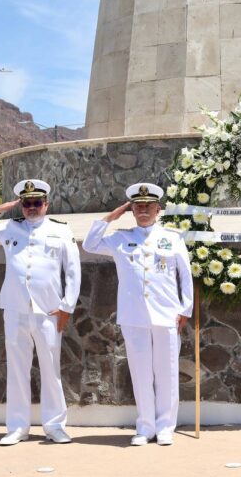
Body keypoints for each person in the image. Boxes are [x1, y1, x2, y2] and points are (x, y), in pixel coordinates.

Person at [0, 179, 81, 446]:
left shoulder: (61, 231)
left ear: (46, 204)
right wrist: (2, 208)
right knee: (17, 369)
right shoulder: (10, 227)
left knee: (50, 369)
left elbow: (74, 270)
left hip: (49, 310)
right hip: (16, 308)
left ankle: (55, 426)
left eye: (37, 202)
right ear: (21, 204)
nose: (32, 207)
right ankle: (18, 427)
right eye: (27, 203)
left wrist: (67, 307)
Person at [82, 183, 193, 446]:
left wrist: (185, 309)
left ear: (158, 209)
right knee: (140, 373)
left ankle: (165, 427)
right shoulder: (119, 238)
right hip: (134, 316)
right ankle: (145, 427)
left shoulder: (173, 238)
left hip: (167, 314)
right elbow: (89, 244)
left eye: (148, 206)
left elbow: (185, 276)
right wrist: (110, 218)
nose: (143, 210)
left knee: (166, 372)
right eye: (138, 206)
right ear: (131, 209)